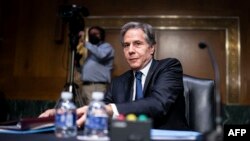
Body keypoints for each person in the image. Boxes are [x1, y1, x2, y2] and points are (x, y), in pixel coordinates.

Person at [39, 21, 189, 130]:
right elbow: (98, 108)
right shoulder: (119, 82)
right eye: (126, 45)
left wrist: (111, 109)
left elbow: (158, 104)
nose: (130, 50)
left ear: (151, 48)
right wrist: (65, 113)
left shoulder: (169, 67)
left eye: (137, 44)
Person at [75, 26, 115, 105]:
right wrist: (77, 63)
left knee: (95, 112)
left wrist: (86, 43)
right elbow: (84, 71)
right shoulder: (91, 52)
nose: (93, 35)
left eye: (95, 33)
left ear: (102, 35)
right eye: (91, 34)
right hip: (85, 86)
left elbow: (101, 55)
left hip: (97, 87)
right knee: (84, 113)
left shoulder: (106, 47)